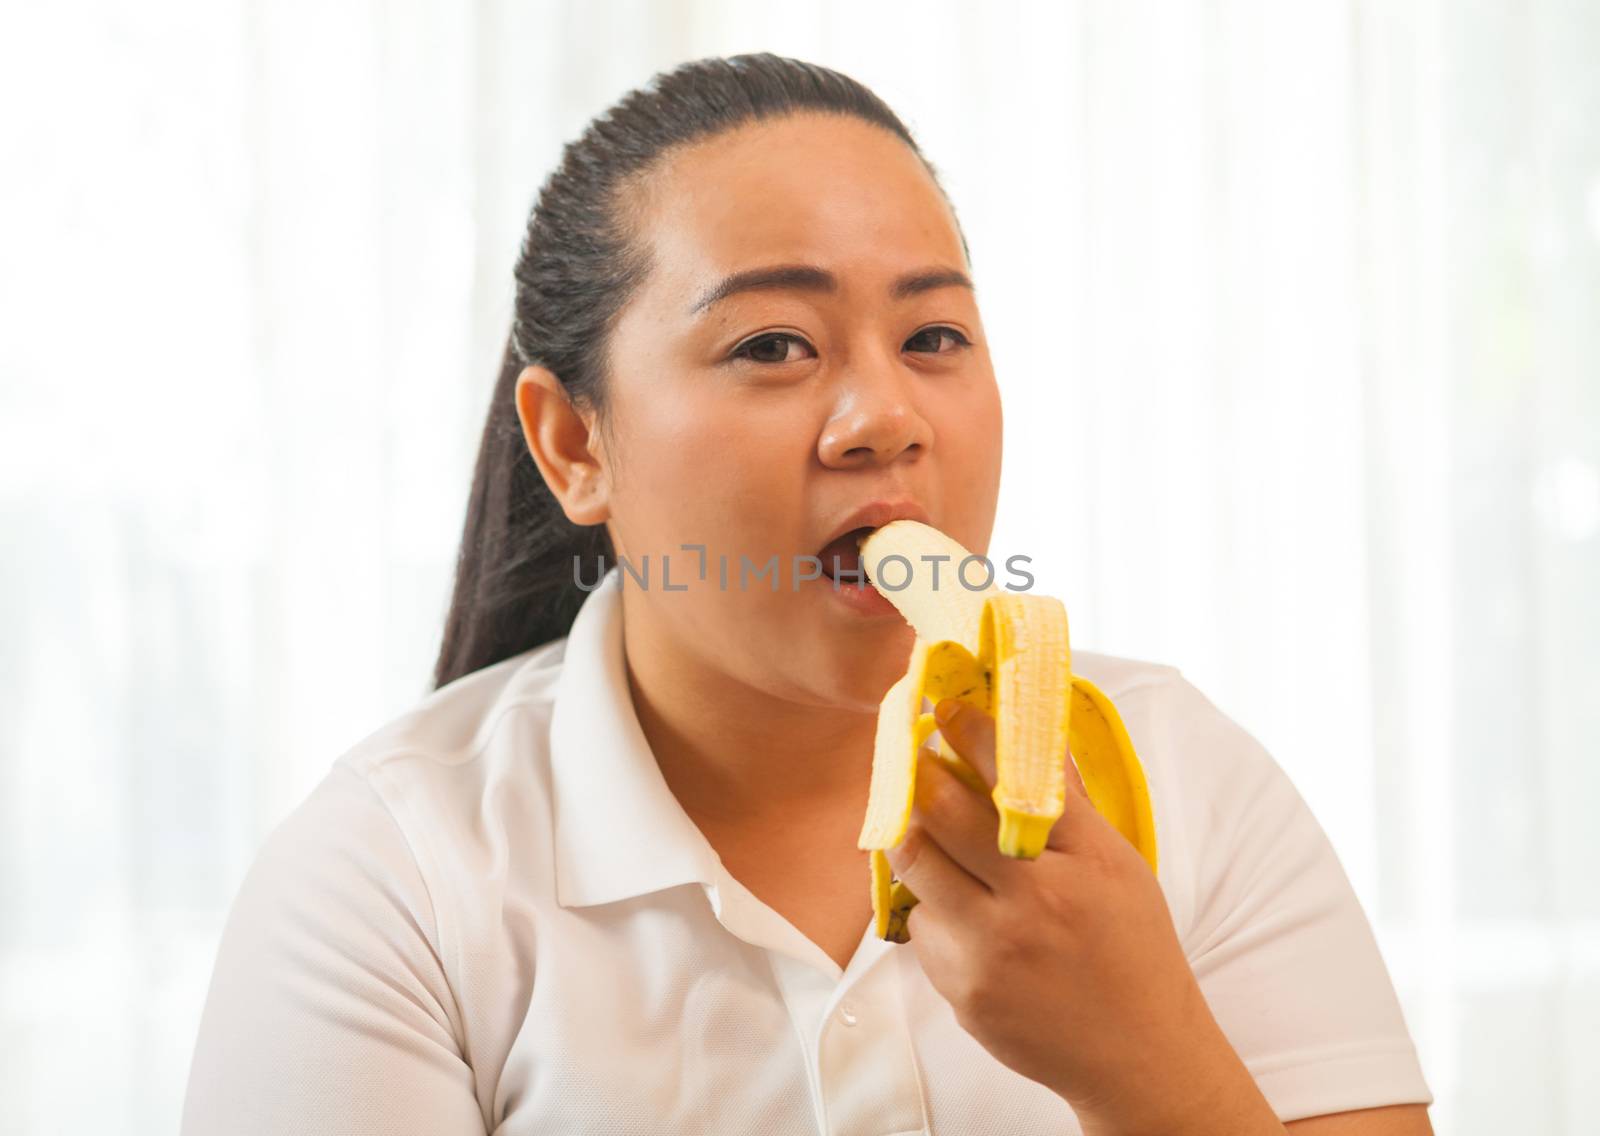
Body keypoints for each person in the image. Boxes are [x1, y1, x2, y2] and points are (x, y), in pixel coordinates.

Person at [180, 53, 1435, 1135]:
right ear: (574, 444)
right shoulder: (391, 876)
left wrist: (1146, 1066)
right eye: (771, 345)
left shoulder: (1184, 778)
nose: (884, 417)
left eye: (934, 337)